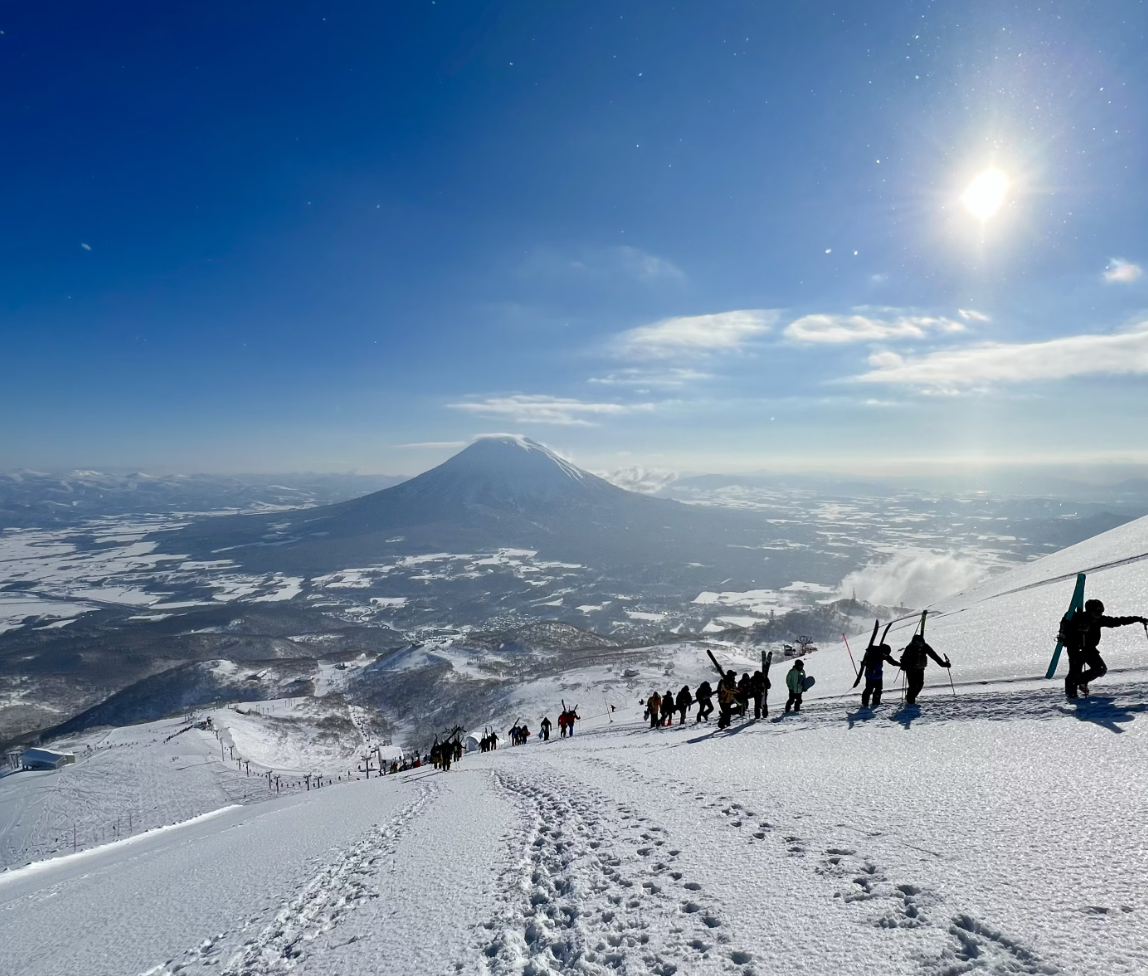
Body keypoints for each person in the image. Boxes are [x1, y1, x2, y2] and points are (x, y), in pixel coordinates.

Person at [1060, 599, 1147, 699]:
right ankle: (1071, 695)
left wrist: (1138, 619)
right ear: (1089, 611)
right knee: (1074, 673)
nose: (1099, 614)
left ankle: (1080, 681)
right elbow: (1067, 630)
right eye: (1096, 611)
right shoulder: (1077, 618)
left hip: (1090, 650)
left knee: (1100, 669)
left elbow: (1118, 621)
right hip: (1076, 650)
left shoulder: (1099, 620)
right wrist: (1077, 629)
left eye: (1101, 611)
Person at [899, 633, 950, 705]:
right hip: (910, 669)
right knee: (913, 686)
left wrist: (943, 664)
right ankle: (910, 701)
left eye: (921, 643)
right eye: (918, 643)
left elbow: (934, 656)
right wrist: (903, 665)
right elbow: (904, 658)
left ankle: (910, 697)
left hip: (920, 669)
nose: (920, 644)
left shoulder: (925, 647)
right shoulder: (910, 647)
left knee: (920, 684)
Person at [853, 641, 900, 707]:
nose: (885, 655)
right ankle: (865, 703)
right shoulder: (872, 653)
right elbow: (866, 662)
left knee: (878, 689)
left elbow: (891, 661)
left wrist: (901, 665)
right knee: (869, 689)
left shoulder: (883, 653)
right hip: (870, 675)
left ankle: (876, 702)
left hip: (878, 675)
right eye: (885, 654)